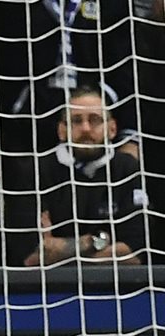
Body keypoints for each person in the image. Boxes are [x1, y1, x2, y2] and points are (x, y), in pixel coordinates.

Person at [8, 86, 149, 266]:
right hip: (48, 288)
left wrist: (62, 249)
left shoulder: (127, 168)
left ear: (112, 128)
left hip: (115, 287)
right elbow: (31, 257)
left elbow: (135, 254)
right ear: (61, 131)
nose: (85, 128)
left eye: (95, 120)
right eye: (76, 121)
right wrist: (102, 240)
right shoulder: (34, 170)